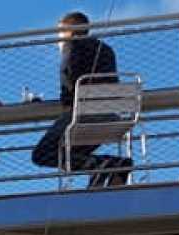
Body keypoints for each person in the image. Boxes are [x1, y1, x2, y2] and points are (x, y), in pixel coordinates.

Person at [30, 11, 132, 188]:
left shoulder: (72, 47)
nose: (58, 40)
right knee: (68, 154)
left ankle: (99, 165)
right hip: (110, 115)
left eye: (60, 34)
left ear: (69, 31)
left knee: (43, 154)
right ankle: (111, 165)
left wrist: (66, 99)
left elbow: (72, 77)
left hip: (85, 114)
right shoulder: (106, 49)